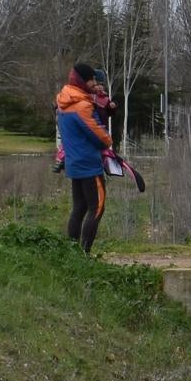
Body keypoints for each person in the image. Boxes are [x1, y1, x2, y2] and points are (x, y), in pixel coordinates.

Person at [57, 63, 114, 254]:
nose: (94, 83)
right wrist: (108, 140)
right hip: (89, 165)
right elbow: (99, 136)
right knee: (97, 208)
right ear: (82, 80)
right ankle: (84, 253)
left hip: (74, 163)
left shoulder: (63, 103)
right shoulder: (82, 106)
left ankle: (72, 252)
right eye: (92, 80)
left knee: (79, 208)